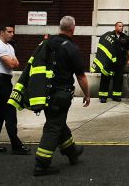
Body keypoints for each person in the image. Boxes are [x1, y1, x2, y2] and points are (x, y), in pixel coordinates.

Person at [33, 16, 91, 176]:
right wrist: (87, 94)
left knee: (58, 123)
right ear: (73, 29)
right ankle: (41, 164)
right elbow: (81, 76)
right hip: (61, 95)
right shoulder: (71, 48)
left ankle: (72, 152)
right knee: (53, 127)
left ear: (60, 28)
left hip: (45, 93)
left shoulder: (47, 43)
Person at [0, 25, 30, 155]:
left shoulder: (9, 47)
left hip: (5, 81)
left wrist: (13, 62)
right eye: (9, 32)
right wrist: (12, 61)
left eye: (13, 32)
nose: (12, 34)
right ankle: (16, 146)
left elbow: (17, 63)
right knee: (10, 112)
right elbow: (11, 64)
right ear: (2, 32)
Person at [91, 21, 129, 103]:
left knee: (118, 80)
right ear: (115, 27)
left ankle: (116, 96)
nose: (121, 28)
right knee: (105, 79)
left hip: (120, 63)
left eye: (122, 26)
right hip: (109, 63)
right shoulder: (108, 36)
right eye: (119, 26)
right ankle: (103, 97)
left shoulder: (125, 37)